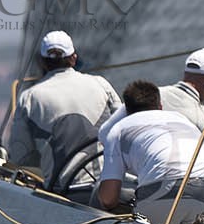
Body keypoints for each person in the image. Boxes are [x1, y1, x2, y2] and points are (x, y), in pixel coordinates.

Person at [96, 80, 204, 224]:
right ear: (160, 106)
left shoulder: (118, 129)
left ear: (126, 109)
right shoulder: (180, 119)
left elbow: (108, 198)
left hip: (163, 190)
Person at [6, 30, 121, 187]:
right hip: (107, 189)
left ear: (42, 62)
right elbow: (125, 129)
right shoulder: (101, 84)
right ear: (74, 58)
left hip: (61, 193)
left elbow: (21, 155)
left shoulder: (29, 97)